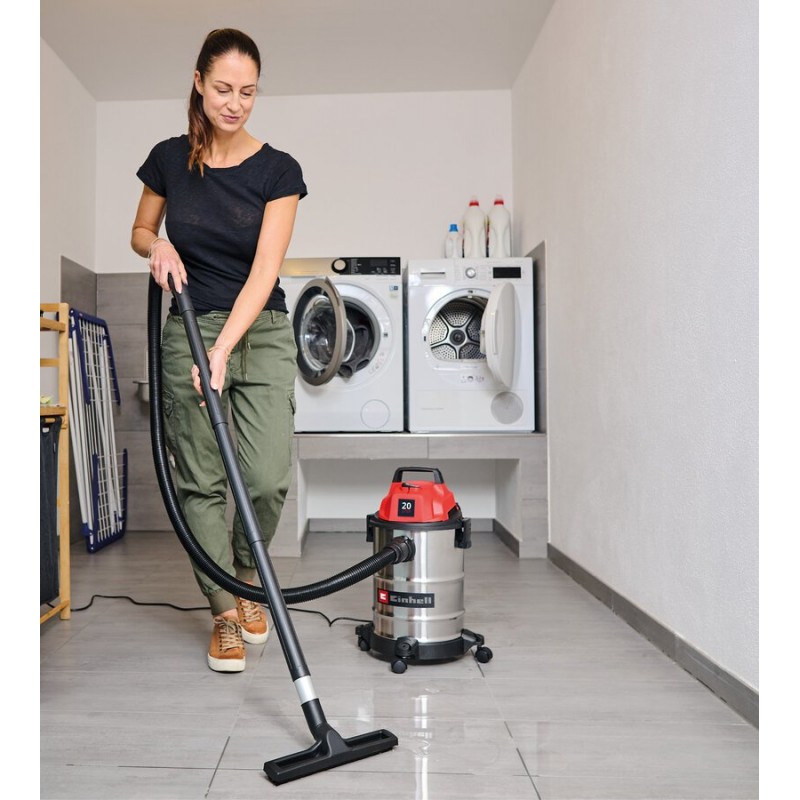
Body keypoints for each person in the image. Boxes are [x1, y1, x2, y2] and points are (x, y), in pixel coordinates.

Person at [130, 28, 307, 673]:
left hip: (260, 329)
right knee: (200, 477)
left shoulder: (279, 171)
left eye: (248, 92)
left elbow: (265, 271)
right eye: (224, 88)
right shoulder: (168, 159)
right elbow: (140, 229)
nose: (235, 103)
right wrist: (158, 245)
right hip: (187, 325)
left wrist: (225, 348)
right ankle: (225, 613)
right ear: (199, 82)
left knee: (265, 477)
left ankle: (243, 573)